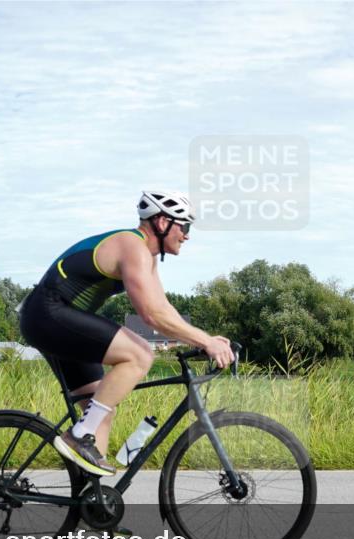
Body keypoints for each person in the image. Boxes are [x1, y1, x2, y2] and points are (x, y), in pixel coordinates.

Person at [19, 190, 234, 477]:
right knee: (140, 354)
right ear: (162, 223)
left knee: (100, 411)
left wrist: (207, 338)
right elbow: (151, 316)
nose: (186, 235)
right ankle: (78, 435)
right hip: (48, 314)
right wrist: (205, 342)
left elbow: (163, 309)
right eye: (184, 226)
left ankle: (91, 509)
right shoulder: (132, 247)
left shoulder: (146, 256)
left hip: (55, 319)